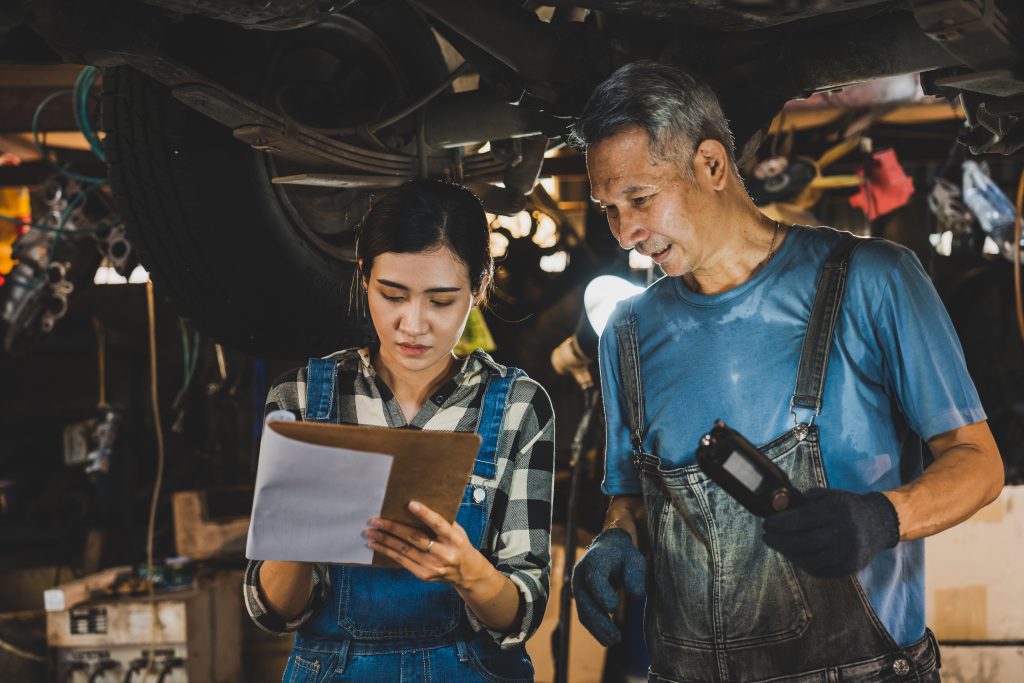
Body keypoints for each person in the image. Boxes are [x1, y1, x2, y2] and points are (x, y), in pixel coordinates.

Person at [569, 61, 1004, 682]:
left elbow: (978, 462)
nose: (626, 233)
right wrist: (613, 539)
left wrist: (883, 517)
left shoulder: (872, 280)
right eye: (608, 208)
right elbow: (633, 497)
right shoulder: (628, 332)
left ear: (712, 165)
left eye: (640, 198)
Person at [244, 179, 555, 682]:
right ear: (364, 277)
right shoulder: (301, 399)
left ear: (478, 288)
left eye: (441, 301)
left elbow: (523, 612)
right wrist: (298, 539)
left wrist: (468, 573)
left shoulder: (519, 407)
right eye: (393, 295)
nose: (413, 324)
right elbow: (272, 610)